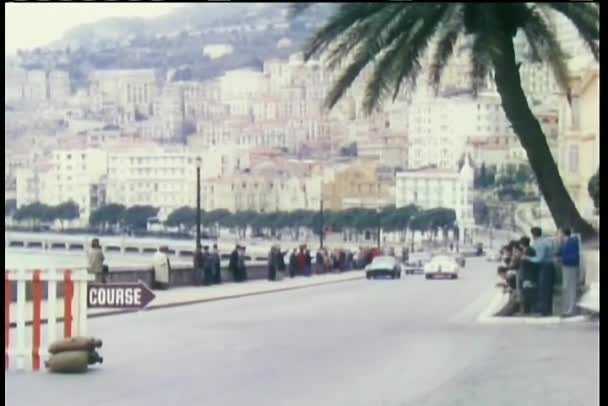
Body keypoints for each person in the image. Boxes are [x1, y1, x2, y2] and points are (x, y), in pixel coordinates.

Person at [524, 227, 555, 316]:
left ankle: (544, 311)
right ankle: (549, 309)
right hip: (549, 266)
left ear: (533, 234)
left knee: (544, 289)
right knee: (548, 289)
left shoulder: (540, 243)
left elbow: (539, 259)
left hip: (544, 267)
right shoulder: (546, 241)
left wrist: (527, 258)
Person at [556, 228, 580, 318]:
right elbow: (559, 253)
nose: (557, 235)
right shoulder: (563, 243)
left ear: (563, 234)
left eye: (558, 233)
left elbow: (574, 256)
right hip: (565, 267)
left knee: (571, 288)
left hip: (571, 267)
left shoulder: (572, 242)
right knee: (566, 287)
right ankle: (567, 309)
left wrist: (562, 259)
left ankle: (571, 310)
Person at [518, 237, 538, 314]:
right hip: (526, 274)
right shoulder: (527, 250)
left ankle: (529, 310)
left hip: (528, 274)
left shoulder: (529, 251)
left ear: (522, 244)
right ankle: (527, 309)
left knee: (528, 292)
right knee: (526, 291)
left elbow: (527, 263)